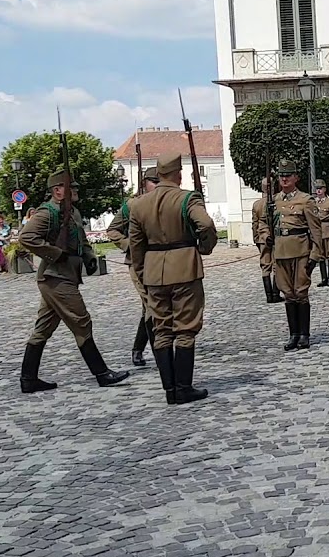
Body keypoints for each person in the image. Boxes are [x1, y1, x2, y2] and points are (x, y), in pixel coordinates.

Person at [17, 171, 131, 393]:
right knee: (81, 322)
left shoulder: (74, 212)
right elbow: (26, 237)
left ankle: (28, 378)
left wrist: (88, 258)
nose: (76, 191)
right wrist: (54, 253)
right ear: (57, 191)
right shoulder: (47, 213)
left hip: (65, 276)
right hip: (56, 277)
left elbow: (80, 239)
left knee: (43, 328)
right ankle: (101, 373)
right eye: (71, 188)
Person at [128, 153, 218, 405]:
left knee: (162, 330)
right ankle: (183, 386)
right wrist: (205, 247)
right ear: (179, 174)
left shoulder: (138, 205)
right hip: (185, 267)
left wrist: (143, 272)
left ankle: (169, 389)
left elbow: (136, 245)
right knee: (186, 328)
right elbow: (206, 225)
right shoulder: (187, 199)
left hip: (155, 271)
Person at [106, 166, 160, 366]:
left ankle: (138, 348)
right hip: (138, 262)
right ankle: (159, 352)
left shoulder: (162, 202)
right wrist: (130, 245)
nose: (157, 186)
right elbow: (113, 230)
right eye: (154, 182)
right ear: (145, 184)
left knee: (151, 306)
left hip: (159, 261)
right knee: (151, 305)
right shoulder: (132, 205)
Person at [271, 160, 325, 351]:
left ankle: (304, 334)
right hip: (281, 252)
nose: (284, 179)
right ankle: (293, 334)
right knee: (288, 294)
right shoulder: (274, 200)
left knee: (301, 293)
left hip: (300, 252)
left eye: (288, 175)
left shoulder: (305, 200)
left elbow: (315, 230)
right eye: (281, 176)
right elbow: (270, 229)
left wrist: (315, 255)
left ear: (296, 178)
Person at [252, 176, 283, 304]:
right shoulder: (278, 201)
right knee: (276, 265)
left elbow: (255, 224)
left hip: (262, 236)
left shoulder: (257, 204)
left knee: (265, 266)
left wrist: (256, 238)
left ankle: (269, 295)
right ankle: (275, 293)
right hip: (275, 236)